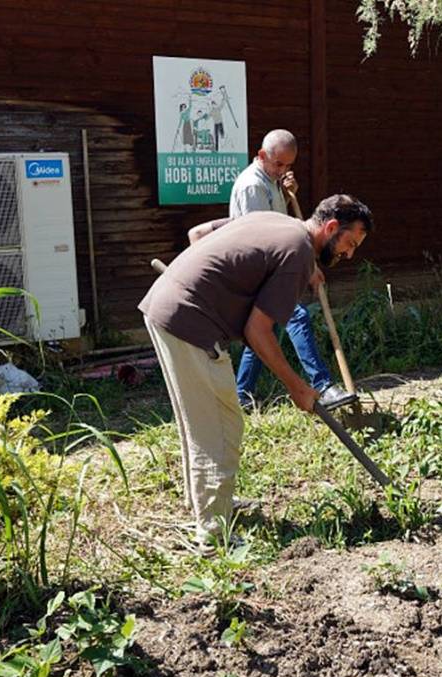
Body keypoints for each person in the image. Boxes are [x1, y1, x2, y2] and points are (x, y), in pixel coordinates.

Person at [139, 195, 372, 551]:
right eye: (349, 243)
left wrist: (212, 287)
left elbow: (200, 235)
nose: (349, 254)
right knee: (218, 424)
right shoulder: (297, 253)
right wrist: (297, 388)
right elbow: (257, 331)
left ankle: (211, 505)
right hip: (187, 321)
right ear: (330, 228)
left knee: (203, 420)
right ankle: (213, 534)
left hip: (170, 306)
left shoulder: (278, 223)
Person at [227, 129, 351, 410]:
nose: (283, 170)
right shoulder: (252, 186)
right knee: (297, 316)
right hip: (256, 270)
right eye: (278, 163)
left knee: (260, 331)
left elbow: (281, 223)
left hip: (268, 267)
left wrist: (287, 193)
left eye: (288, 165)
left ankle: (241, 395)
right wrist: (306, 267)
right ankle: (323, 385)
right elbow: (264, 237)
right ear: (261, 156)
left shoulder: (270, 180)